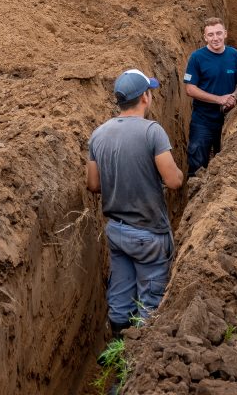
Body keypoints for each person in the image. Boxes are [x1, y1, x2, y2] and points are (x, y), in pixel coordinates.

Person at [87, 69, 184, 337]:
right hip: (149, 233)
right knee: (150, 304)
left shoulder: (99, 134)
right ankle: (139, 365)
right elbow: (173, 181)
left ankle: (117, 356)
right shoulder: (152, 132)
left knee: (120, 297)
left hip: (117, 231)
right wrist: (177, 173)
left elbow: (93, 185)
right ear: (145, 97)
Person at [183, 18, 237, 175]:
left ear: (225, 34)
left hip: (228, 121)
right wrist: (219, 99)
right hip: (202, 121)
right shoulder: (197, 58)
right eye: (210, 34)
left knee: (226, 165)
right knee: (197, 166)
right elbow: (190, 89)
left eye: (219, 33)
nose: (215, 38)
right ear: (205, 37)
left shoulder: (234, 55)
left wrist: (234, 96)